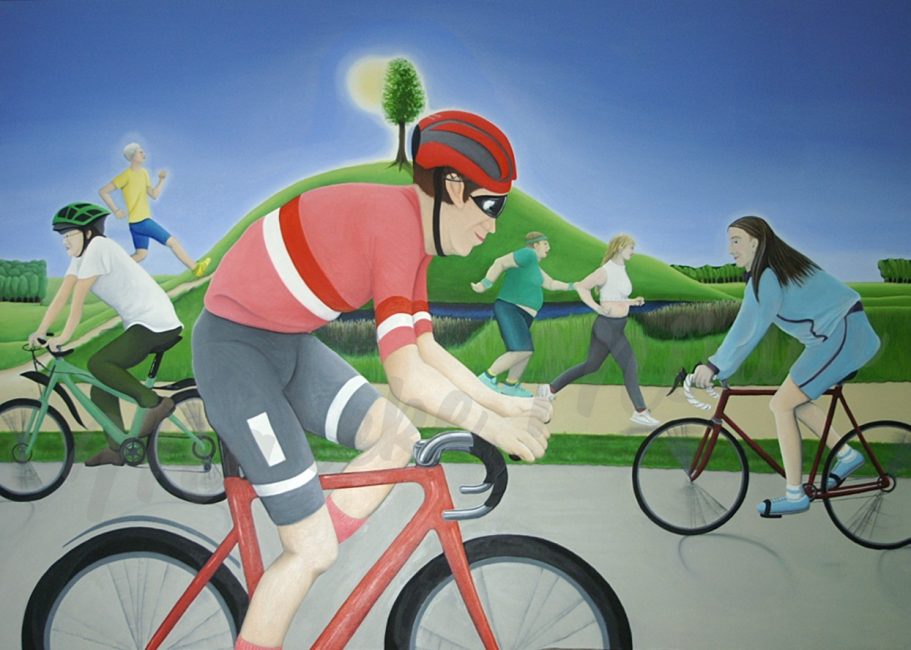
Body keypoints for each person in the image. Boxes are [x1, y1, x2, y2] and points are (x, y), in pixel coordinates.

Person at [192, 110, 551, 650]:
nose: (493, 225)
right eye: (491, 205)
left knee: (398, 438)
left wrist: (502, 406)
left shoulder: (415, 239)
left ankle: (304, 552)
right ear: (454, 187)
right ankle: (304, 555)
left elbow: (427, 349)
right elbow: (406, 379)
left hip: (288, 345)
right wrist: (493, 428)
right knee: (312, 550)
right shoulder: (394, 226)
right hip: (234, 356)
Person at [692, 216, 880, 517]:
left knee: (781, 404)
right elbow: (747, 325)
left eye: (736, 240)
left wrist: (714, 366)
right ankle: (846, 454)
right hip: (838, 335)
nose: (730, 249)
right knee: (794, 401)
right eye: (730, 241)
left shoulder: (768, 277)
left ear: (755, 243)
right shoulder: (769, 272)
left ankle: (795, 495)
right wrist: (721, 366)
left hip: (845, 335)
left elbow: (749, 328)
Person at [28, 203, 184, 466]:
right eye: (63, 235)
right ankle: (118, 449)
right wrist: (40, 331)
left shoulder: (99, 248)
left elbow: (77, 301)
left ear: (88, 233)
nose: (65, 241)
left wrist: (63, 337)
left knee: (99, 364)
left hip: (154, 323)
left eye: (69, 234)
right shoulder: (81, 257)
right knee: (101, 390)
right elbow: (62, 296)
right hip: (143, 323)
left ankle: (155, 403)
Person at [537, 234, 660, 426]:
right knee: (630, 364)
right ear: (620, 248)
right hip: (607, 327)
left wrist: (632, 302)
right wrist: (596, 307)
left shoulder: (621, 269)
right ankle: (640, 411)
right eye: (631, 248)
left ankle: (550, 389)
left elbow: (614, 296)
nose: (633, 252)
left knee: (591, 365)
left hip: (615, 326)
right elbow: (582, 287)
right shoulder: (605, 271)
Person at [471, 232, 575, 397]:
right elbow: (500, 262)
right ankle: (486, 377)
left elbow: (551, 284)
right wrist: (485, 284)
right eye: (545, 244)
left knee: (525, 352)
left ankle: (511, 386)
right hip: (511, 307)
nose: (548, 248)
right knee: (522, 350)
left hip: (524, 313)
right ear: (535, 245)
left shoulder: (534, 267)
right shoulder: (528, 254)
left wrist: (574, 286)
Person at [98, 143, 210, 277]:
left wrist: (161, 180)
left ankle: (111, 270)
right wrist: (116, 210)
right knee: (173, 242)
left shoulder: (144, 173)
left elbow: (154, 194)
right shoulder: (125, 176)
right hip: (142, 222)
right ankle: (196, 268)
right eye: (140, 152)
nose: (143, 154)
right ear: (132, 156)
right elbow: (103, 191)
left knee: (141, 254)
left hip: (135, 224)